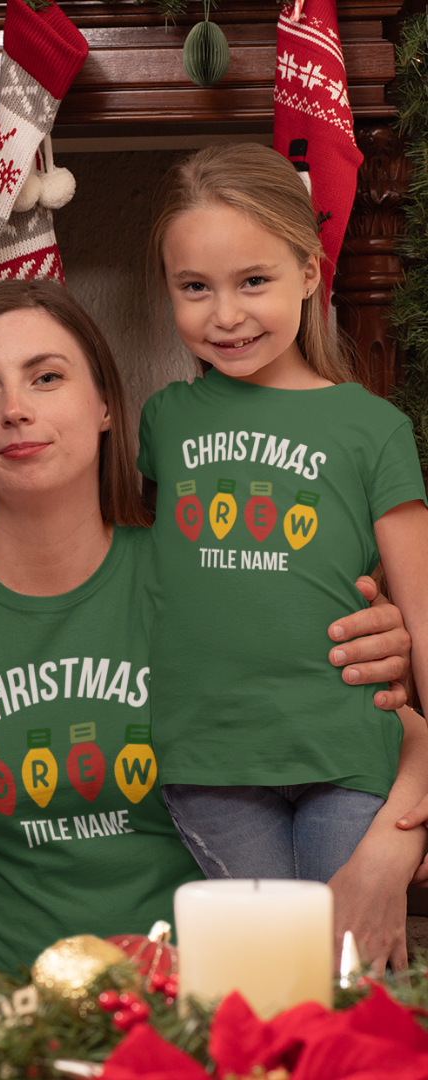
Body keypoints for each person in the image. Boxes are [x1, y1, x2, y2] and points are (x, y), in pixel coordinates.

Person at [0, 279, 428, 975]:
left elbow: (402, 738)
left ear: (106, 404)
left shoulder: (211, 571)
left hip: (213, 1007)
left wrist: (384, 856)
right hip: (13, 1015)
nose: (15, 410)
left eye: (47, 378)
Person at [138, 143, 428, 883]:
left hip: (346, 748)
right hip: (208, 759)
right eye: (195, 287)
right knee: (266, 949)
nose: (226, 315)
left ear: (307, 273)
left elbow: (421, 613)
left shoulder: (373, 428)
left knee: (340, 945)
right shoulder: (164, 421)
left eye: (254, 280)